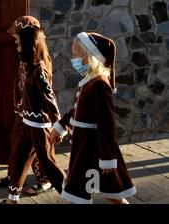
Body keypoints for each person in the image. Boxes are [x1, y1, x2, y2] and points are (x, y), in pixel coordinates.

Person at [50, 32, 136, 204]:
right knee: (106, 192)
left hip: (92, 149)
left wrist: (107, 159)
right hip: (84, 146)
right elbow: (77, 111)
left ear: (89, 57)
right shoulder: (89, 82)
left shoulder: (99, 85)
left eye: (75, 54)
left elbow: (106, 124)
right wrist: (60, 126)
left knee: (82, 192)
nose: (72, 58)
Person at [2, 16, 66, 204]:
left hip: (39, 126)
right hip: (26, 123)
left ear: (29, 46)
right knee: (18, 159)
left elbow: (50, 98)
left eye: (19, 43)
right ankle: (12, 199)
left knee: (47, 163)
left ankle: (73, 194)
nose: (17, 46)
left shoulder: (39, 70)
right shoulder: (28, 67)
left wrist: (58, 126)